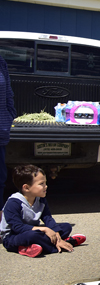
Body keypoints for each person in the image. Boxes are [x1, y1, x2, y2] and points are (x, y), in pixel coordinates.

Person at [0, 165, 86, 257]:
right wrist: (45, 229)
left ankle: (36, 247)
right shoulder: (13, 203)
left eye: (45, 183)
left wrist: (55, 233)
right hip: (13, 237)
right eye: (41, 184)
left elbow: (47, 218)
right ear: (26, 187)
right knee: (33, 236)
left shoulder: (40, 199)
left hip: (33, 230)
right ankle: (65, 244)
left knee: (66, 227)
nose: (46, 186)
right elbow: (17, 227)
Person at [0, 55, 17, 194]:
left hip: (0, 132)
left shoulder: (1, 63)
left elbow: (8, 94)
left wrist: (9, 116)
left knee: (0, 180)